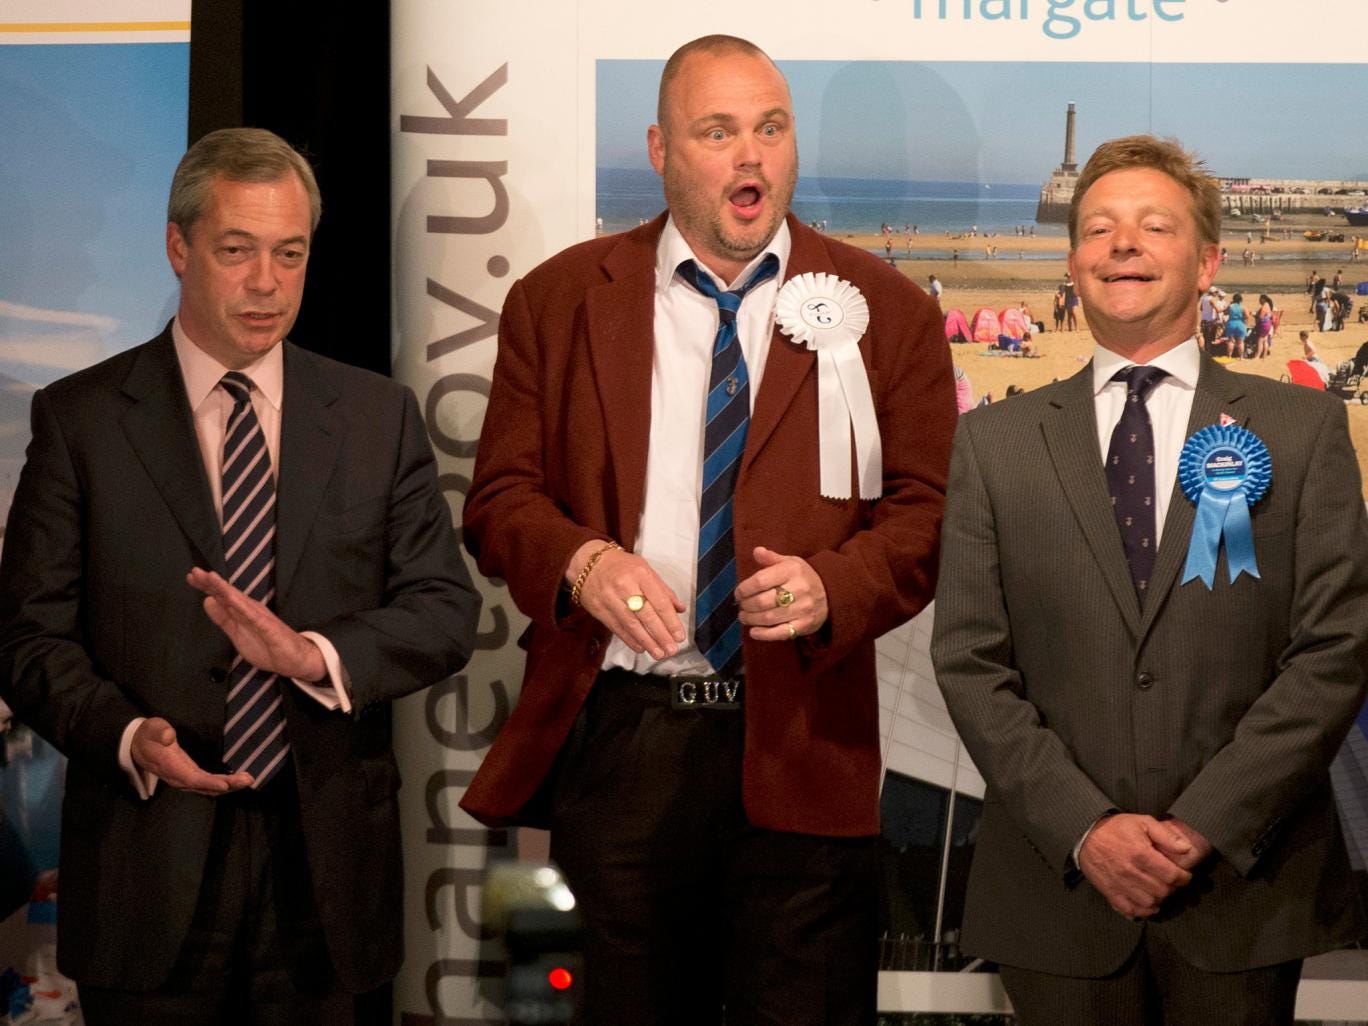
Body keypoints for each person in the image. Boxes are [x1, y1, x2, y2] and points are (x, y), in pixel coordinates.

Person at [458, 34, 955, 1026]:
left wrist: (835, 586)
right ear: (660, 149)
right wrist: (582, 562)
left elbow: (929, 513)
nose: (751, 155)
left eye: (771, 128)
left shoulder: (888, 311)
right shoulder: (557, 302)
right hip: (622, 744)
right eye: (718, 131)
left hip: (805, 739)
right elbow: (501, 499)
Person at [0, 128, 480, 1024]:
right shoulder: (82, 420)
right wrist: (126, 732)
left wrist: (314, 656)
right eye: (237, 250)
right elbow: (29, 636)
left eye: (289, 254)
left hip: (324, 876)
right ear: (178, 247)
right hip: (148, 863)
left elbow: (445, 609)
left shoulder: (376, 416)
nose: (267, 282)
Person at [932, 134, 1368, 1026]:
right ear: (1073, 262)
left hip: (1243, 893)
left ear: (1207, 262)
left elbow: (1334, 650)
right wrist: (1085, 829)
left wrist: (1206, 822)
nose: (1122, 244)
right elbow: (970, 661)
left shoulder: (1303, 430)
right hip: (1056, 895)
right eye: (1098, 228)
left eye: (1154, 226)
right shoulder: (993, 445)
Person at [1224, 291, 1247, 357]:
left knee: (1231, 341)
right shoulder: (1243, 307)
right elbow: (1247, 316)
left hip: (1231, 323)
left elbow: (1225, 312)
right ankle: (1241, 357)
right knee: (1240, 342)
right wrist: (1242, 318)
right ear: (1240, 300)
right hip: (1240, 323)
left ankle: (1229, 356)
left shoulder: (1231, 306)